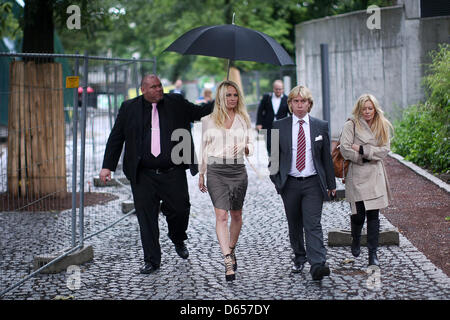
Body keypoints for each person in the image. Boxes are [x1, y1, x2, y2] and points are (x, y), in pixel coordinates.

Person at [99, 74, 213, 274]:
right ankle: (152, 260)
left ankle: (177, 237)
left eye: (160, 86)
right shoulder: (129, 108)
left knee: (180, 209)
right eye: (153, 87)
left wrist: (219, 100)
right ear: (143, 89)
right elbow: (116, 137)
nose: (158, 90)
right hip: (143, 174)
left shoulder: (175, 102)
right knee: (146, 218)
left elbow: (200, 112)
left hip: (173, 171)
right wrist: (107, 166)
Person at [269, 85, 336, 281]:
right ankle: (299, 257)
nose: (300, 105)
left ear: (309, 104)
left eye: (303, 101)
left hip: (313, 183)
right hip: (289, 183)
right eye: (296, 101)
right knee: (294, 223)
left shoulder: (320, 126)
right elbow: (273, 158)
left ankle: (318, 264)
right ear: (290, 104)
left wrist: (331, 184)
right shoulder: (278, 126)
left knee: (312, 224)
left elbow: (326, 159)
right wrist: (277, 181)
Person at [198, 80, 254, 281]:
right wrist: (202, 173)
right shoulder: (208, 120)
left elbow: (250, 145)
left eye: (235, 95)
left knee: (236, 214)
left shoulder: (243, 119)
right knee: (221, 215)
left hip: (238, 170)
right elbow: (203, 148)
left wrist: (246, 148)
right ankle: (227, 260)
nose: (232, 99)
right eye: (228, 95)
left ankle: (231, 248)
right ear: (220, 98)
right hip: (216, 171)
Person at [339, 94, 393, 267]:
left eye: (370, 108)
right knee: (359, 215)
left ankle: (373, 254)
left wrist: (362, 149)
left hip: (375, 175)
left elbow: (384, 150)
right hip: (357, 174)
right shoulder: (351, 124)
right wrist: (364, 157)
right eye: (364, 108)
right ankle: (355, 238)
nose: (368, 111)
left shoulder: (381, 124)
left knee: (374, 216)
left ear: (375, 109)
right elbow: (345, 149)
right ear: (359, 109)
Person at [256, 79, 290, 155]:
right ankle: (272, 162)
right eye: (276, 89)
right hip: (268, 126)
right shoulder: (267, 97)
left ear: (283, 89)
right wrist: (259, 123)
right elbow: (260, 110)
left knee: (280, 145)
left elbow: (290, 113)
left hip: (281, 127)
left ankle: (279, 162)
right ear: (273, 89)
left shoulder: (287, 99)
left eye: (280, 89)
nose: (278, 91)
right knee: (269, 145)